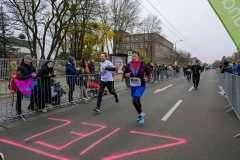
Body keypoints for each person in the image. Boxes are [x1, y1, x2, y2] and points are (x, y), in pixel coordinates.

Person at [124, 49, 150, 124]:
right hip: (133, 86)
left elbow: (148, 72)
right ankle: (140, 114)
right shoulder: (129, 64)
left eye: (135, 54)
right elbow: (124, 73)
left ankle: (140, 114)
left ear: (138, 55)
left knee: (134, 101)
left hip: (141, 85)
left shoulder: (142, 64)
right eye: (133, 54)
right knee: (137, 101)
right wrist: (126, 75)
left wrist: (147, 77)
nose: (134, 55)